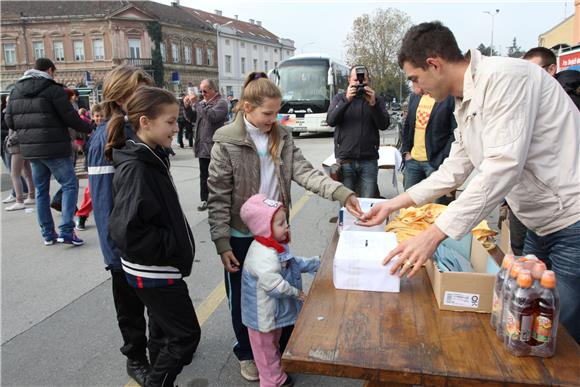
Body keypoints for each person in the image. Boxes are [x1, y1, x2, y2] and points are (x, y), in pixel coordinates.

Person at [359, 22, 580, 343]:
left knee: (555, 334)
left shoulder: (506, 78)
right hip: (539, 224)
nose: (416, 89)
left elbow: (502, 167)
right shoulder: (465, 99)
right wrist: (395, 203)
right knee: (524, 326)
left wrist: (434, 234)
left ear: (434, 63)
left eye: (415, 78)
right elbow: (457, 167)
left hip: (571, 222)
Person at [208, 71, 363, 382]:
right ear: (246, 108)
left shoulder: (282, 135)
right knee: (244, 299)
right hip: (242, 236)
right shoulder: (226, 141)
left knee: (280, 291)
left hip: (275, 230)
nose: (272, 119)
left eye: (276, 113)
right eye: (267, 113)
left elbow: (305, 172)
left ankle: (280, 345)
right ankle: (248, 353)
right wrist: (222, 242)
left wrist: (340, 192)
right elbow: (218, 195)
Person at [107, 86, 200, 387]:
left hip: (158, 268)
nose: (177, 127)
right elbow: (126, 230)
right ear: (145, 122)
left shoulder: (151, 155)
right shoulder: (137, 166)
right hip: (154, 271)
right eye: (170, 122)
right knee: (185, 336)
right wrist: (172, 247)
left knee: (162, 333)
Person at [87, 65, 154, 385]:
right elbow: (102, 201)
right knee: (129, 305)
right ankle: (136, 357)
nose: (141, 98)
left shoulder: (143, 127)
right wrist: (113, 250)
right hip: (124, 242)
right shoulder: (106, 138)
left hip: (151, 235)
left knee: (157, 297)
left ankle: (161, 346)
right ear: (119, 96)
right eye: (135, 92)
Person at [4, 58, 92, 246]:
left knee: (41, 191)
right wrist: (90, 127)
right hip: (54, 148)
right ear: (50, 70)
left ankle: (47, 234)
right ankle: (67, 230)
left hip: (32, 150)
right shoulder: (54, 90)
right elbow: (71, 118)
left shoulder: (16, 90)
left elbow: (10, 121)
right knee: (70, 184)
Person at [240, 194, 319, 387]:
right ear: (264, 228)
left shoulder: (275, 246)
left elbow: (292, 263)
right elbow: (273, 284)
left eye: (286, 222)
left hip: (271, 313)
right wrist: (296, 293)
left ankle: (275, 374)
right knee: (265, 350)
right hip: (261, 316)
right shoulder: (262, 254)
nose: (287, 227)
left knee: (271, 345)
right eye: (281, 223)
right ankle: (272, 381)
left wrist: (315, 263)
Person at [326, 65, 390, 198]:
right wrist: (346, 101)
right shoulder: (339, 98)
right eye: (356, 80)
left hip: (369, 160)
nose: (359, 83)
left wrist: (374, 105)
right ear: (349, 80)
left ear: (369, 80)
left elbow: (384, 125)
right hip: (345, 161)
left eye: (363, 79)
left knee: (367, 203)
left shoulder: (376, 100)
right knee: (347, 203)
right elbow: (331, 121)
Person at [401, 90, 456, 204]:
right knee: (409, 207)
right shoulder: (415, 97)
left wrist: (443, 157)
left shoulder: (448, 97)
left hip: (435, 163)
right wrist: (406, 152)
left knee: (435, 208)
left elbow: (454, 132)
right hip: (412, 162)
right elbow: (408, 126)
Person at [183, 79, 228, 211]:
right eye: (201, 91)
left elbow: (212, 117)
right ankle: (205, 200)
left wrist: (197, 103)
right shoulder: (202, 103)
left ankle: (218, 201)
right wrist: (187, 107)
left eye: (205, 91)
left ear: (214, 90)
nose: (202, 94)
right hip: (203, 146)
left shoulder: (221, 103)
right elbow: (191, 118)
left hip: (215, 147)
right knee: (203, 175)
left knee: (216, 176)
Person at [75, 103, 104, 231]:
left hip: (107, 164)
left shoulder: (110, 129)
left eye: (102, 116)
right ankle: (82, 216)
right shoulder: (89, 130)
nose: (99, 118)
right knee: (91, 193)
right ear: (92, 116)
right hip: (93, 166)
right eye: (97, 116)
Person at [4, 126, 35, 211]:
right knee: (27, 171)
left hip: (17, 144)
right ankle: (31, 195)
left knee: (15, 174)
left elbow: (10, 123)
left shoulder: (13, 113)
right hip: (24, 143)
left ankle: (19, 200)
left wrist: (10, 140)